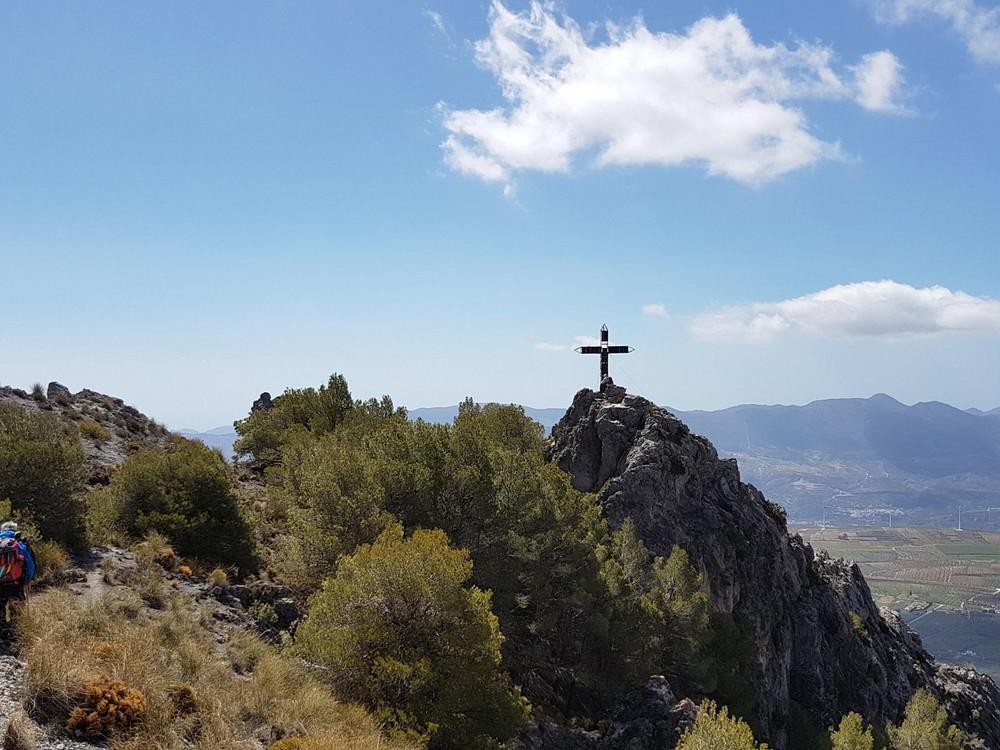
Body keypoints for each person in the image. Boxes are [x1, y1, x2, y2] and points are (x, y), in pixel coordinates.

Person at [0, 521, 36, 626]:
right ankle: (14, 636)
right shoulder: (19, 544)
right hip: (15, 584)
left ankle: (2, 636)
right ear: (14, 530)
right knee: (16, 613)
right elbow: (30, 565)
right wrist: (28, 580)